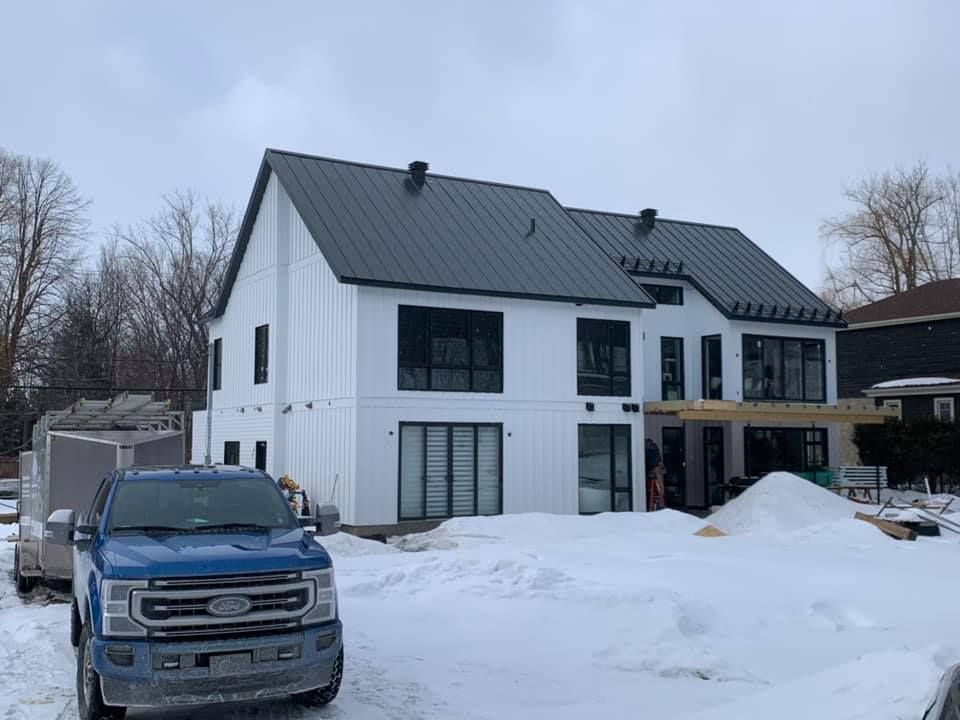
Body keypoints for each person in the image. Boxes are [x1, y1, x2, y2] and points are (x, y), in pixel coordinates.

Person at [645, 438, 666, 511]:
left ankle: (661, 494)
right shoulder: (649, 450)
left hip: (655, 469)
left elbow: (658, 460)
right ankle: (661, 493)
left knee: (659, 473)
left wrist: (660, 465)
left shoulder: (653, 449)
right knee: (658, 473)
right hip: (652, 470)